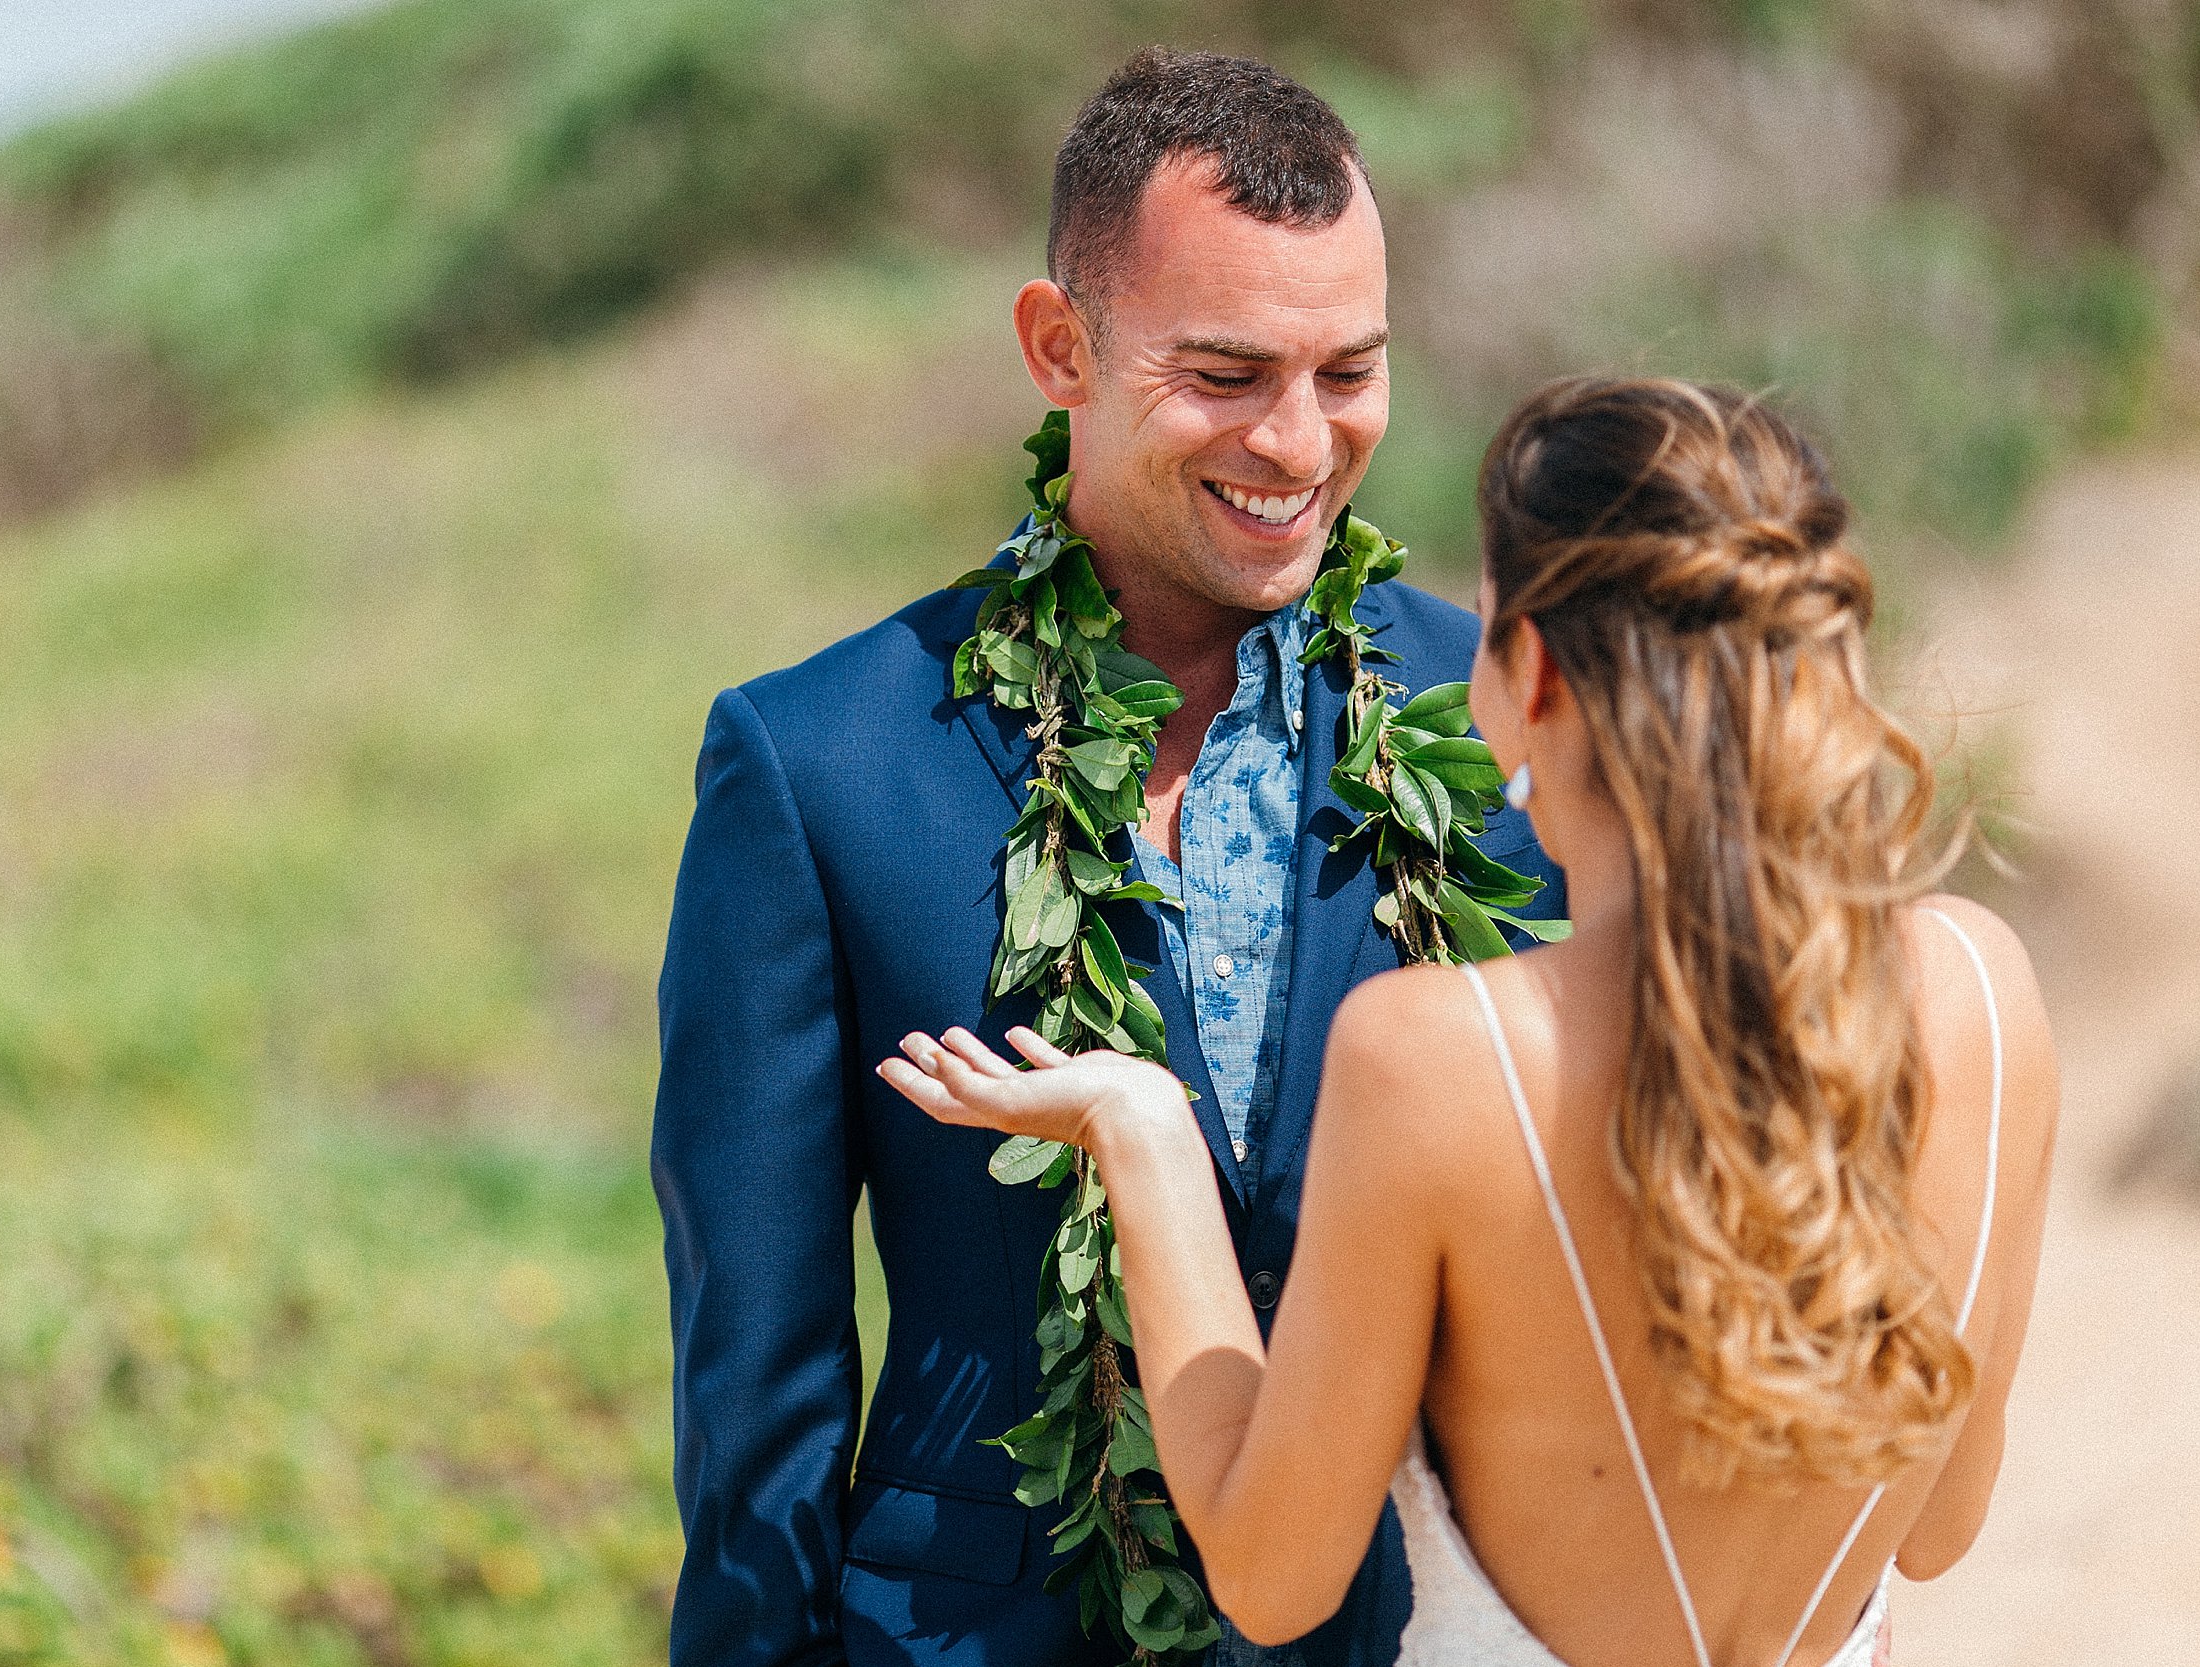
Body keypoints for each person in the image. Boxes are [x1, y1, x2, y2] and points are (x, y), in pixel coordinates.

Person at [881, 376, 2059, 1667]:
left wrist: (1144, 1128)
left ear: (1534, 669)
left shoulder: (1439, 1055)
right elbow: (1937, 1525)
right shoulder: (1983, 991)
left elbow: (1273, 1580)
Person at [652, 48, 1560, 1667]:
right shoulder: (814, 763)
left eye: (1348, 372)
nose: (1295, 445)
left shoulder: (1508, 712)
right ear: (1059, 346)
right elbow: (758, 1380)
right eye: (1225, 374)